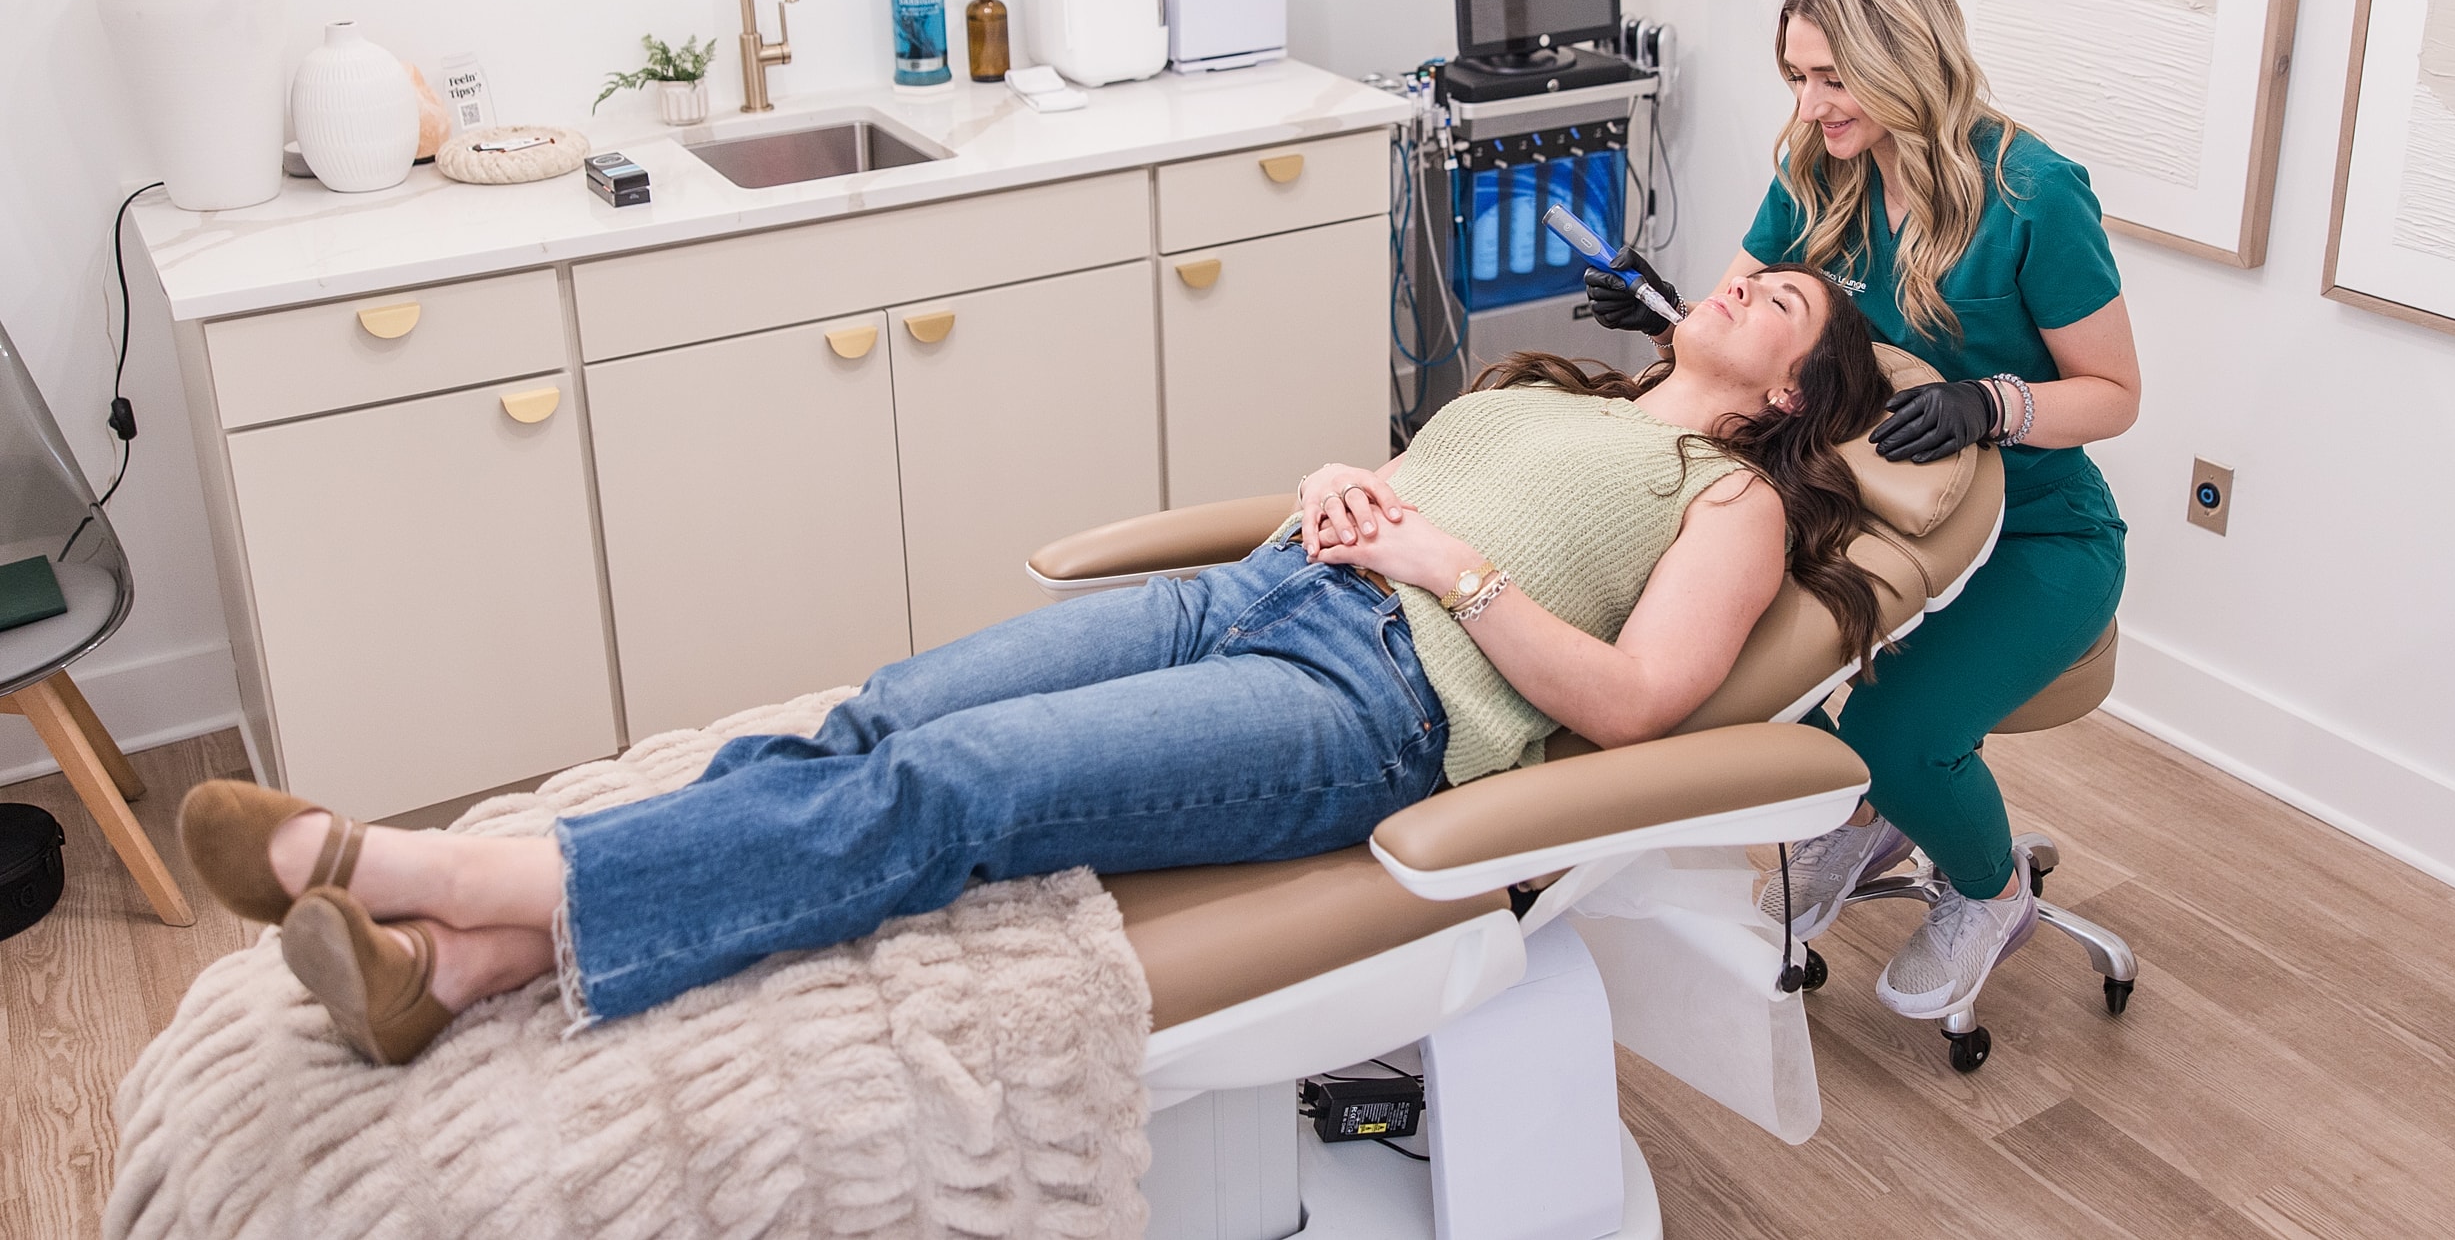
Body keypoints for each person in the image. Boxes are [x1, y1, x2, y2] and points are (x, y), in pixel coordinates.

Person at [182, 266, 1895, 1066]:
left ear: (1786, 397)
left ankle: (445, 870)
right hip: (1259, 588)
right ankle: (467, 966)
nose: (1746, 280)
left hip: (1371, 699)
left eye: (1784, 303)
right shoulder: (1557, 395)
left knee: (960, 788)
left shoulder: (1730, 493)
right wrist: (1332, 488)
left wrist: (1442, 562)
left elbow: (1636, 703)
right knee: (888, 707)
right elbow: (1403, 483)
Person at [1584, 0, 2137, 1025]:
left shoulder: (2031, 194)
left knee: (1884, 735)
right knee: (1778, 707)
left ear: (1904, 56)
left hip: (2035, 539)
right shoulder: (1816, 171)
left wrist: (1992, 404)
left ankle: (1991, 890)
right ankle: (1878, 810)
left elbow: (2113, 391)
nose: (1809, 105)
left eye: (1831, 78)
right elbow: (1732, 321)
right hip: (1867, 524)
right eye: (1795, 76)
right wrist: (1659, 312)